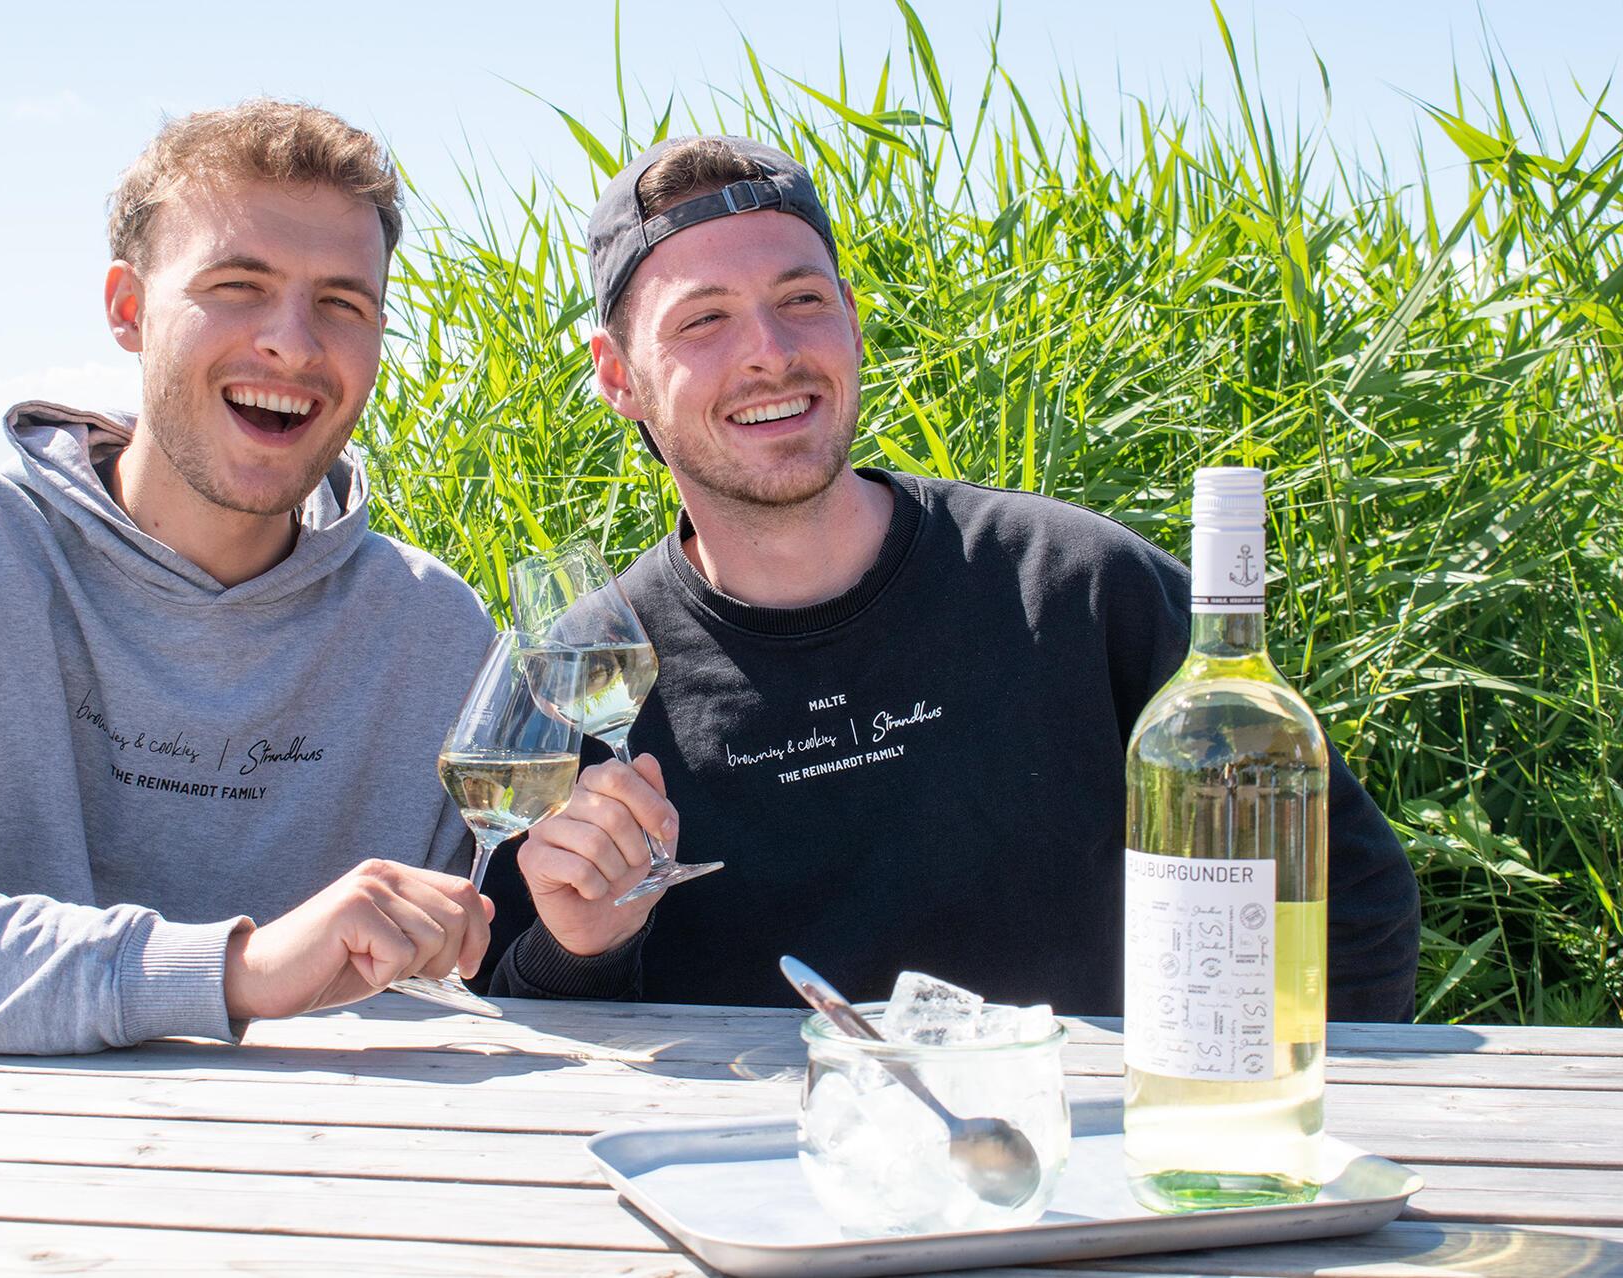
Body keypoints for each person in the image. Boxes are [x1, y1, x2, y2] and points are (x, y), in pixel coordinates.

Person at [484, 135, 1421, 1021]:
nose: (770, 349)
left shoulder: (1079, 589)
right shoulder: (583, 672)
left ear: (851, 319)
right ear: (618, 377)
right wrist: (581, 949)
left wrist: (1242, 1136)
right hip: (739, 1180)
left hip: (1067, 1176)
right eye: (705, 319)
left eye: (802, 299)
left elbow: (1345, 902)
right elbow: (518, 1018)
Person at [0, 101, 497, 1054]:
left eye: (343, 304)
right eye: (239, 285)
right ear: (128, 310)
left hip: (351, 1177)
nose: (294, 345)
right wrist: (229, 971)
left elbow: (495, 967)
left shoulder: (435, 631)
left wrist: (582, 927)